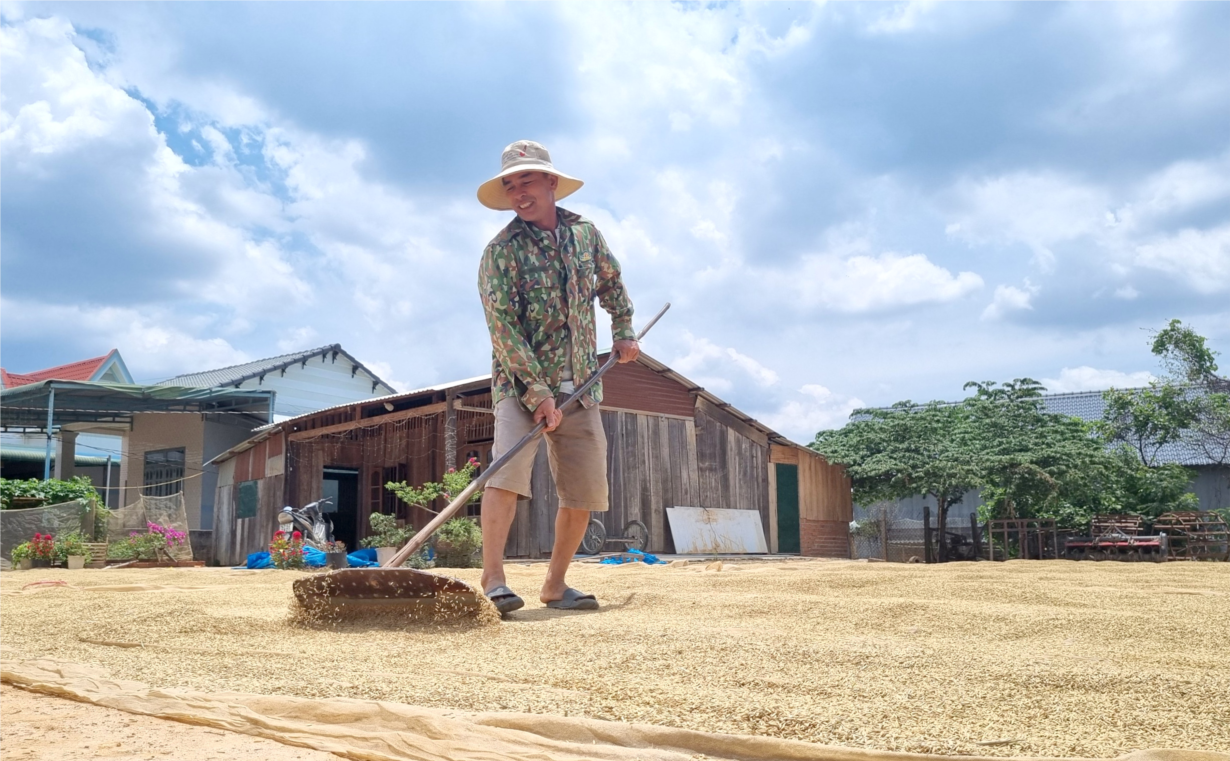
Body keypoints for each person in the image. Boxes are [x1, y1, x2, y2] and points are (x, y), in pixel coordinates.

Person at [475, 140, 639, 614]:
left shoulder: (586, 235)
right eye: (510, 184)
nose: (518, 191)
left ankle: (555, 584)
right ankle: (493, 579)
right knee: (505, 477)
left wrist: (623, 330)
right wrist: (539, 392)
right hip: (520, 385)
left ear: (551, 182)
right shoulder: (500, 253)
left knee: (584, 489)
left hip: (583, 383)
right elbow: (502, 329)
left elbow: (611, 283)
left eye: (526, 180)